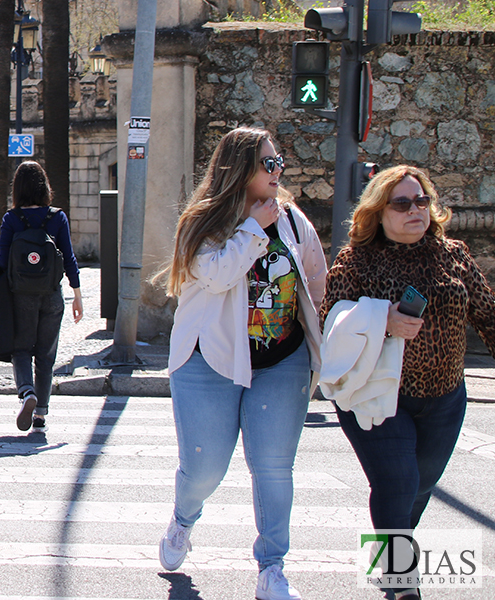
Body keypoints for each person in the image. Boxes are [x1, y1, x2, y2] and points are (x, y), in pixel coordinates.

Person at [154, 127, 326, 600]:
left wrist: (321, 329)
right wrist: (253, 228)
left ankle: (272, 567)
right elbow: (216, 276)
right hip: (209, 360)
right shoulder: (203, 222)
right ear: (240, 169)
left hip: (281, 360)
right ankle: (183, 519)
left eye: (279, 163)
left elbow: (316, 273)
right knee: (204, 469)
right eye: (267, 164)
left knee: (273, 466)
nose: (277, 172)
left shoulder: (291, 220)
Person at [319, 165, 495, 600]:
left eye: (421, 201)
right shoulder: (355, 260)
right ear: (378, 212)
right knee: (398, 480)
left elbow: (489, 314)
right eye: (401, 203)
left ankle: (389, 552)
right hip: (378, 395)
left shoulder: (453, 254)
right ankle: (402, 583)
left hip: (445, 398)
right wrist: (382, 320)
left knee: (420, 484)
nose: (415, 210)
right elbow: (330, 323)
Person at [0, 161, 83, 433]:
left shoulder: (12, 219)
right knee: (46, 356)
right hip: (52, 295)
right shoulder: (57, 218)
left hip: (20, 295)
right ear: (44, 185)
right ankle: (41, 414)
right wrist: (77, 295)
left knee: (21, 349)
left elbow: (2, 260)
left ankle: (26, 392)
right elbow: (68, 258)